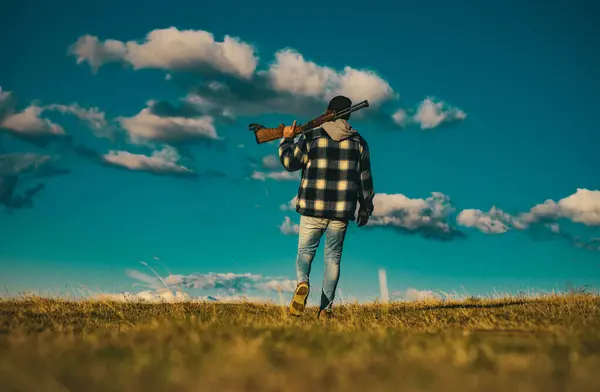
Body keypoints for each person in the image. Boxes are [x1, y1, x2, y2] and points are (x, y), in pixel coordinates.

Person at [278, 95, 375, 320]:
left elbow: (290, 163)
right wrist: (365, 207)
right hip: (341, 211)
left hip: (312, 207)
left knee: (305, 252)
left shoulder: (311, 136)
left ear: (327, 111)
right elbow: (365, 179)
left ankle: (302, 283)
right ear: (348, 114)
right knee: (332, 259)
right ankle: (325, 310)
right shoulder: (359, 142)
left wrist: (285, 140)